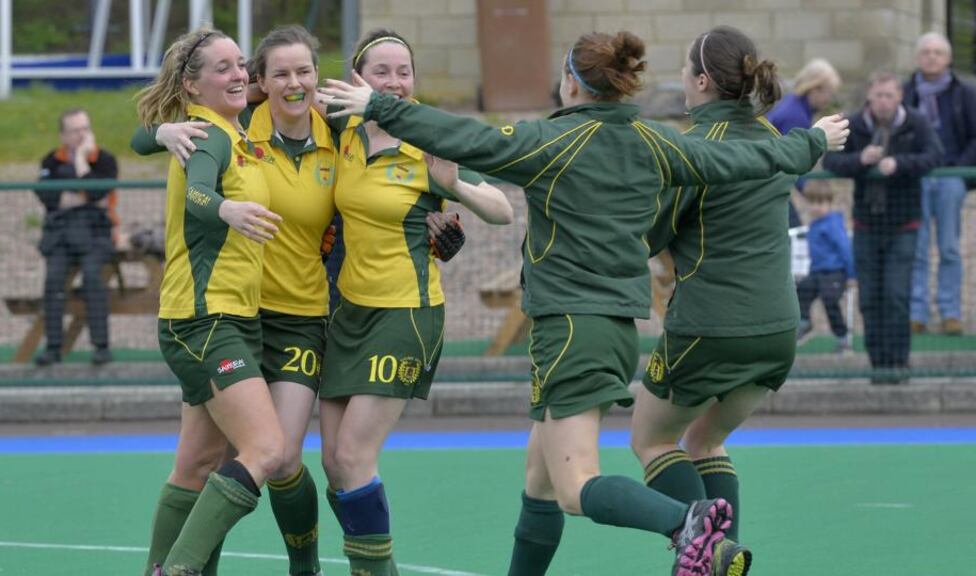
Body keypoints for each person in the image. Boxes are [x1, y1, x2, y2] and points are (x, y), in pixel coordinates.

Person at [320, 29, 847, 576]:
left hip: (569, 328)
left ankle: (688, 523)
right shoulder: (657, 139)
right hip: (617, 329)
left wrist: (379, 105)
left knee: (575, 487)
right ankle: (693, 534)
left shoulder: (554, 141)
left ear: (571, 82)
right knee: (540, 476)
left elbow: (464, 136)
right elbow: (747, 160)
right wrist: (811, 142)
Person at [316, 29, 514, 576]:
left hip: (407, 312)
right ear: (359, 77)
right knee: (334, 464)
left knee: (355, 456)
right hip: (346, 314)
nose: (396, 82)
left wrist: (454, 186)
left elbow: (502, 210)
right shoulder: (340, 128)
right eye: (383, 71)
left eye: (404, 71)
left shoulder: (431, 135)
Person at [626, 27, 804, 566]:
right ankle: (720, 559)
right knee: (705, 442)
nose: (681, 78)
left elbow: (650, 234)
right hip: (777, 331)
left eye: (684, 68)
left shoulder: (695, 148)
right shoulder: (774, 138)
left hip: (710, 326)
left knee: (652, 441)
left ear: (702, 80)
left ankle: (711, 550)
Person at [134, 27, 287, 576]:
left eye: (240, 64)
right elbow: (200, 194)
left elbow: (139, 138)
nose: (238, 74)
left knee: (201, 463)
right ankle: (180, 570)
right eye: (221, 68)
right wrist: (225, 210)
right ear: (192, 86)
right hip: (204, 320)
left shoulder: (236, 134)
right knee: (267, 450)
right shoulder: (210, 136)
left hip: (230, 319)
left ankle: (160, 566)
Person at [825, 72, 942, 385]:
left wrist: (900, 164)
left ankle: (898, 364)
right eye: (878, 95)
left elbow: (934, 156)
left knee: (896, 294)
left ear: (899, 96)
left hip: (904, 223)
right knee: (869, 298)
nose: (883, 102)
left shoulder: (915, 122)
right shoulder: (856, 124)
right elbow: (830, 161)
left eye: (889, 95)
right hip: (866, 222)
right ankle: (878, 366)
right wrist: (860, 160)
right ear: (869, 97)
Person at [34, 108, 119, 366]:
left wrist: (82, 164)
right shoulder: (51, 161)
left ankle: (101, 347)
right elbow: (48, 198)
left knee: (93, 279)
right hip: (61, 235)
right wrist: (86, 196)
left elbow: (98, 193)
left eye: (86, 128)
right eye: (75, 130)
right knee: (53, 282)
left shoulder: (104, 159)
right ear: (63, 135)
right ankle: (53, 348)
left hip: (97, 234)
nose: (82, 135)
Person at [905, 32, 976, 336]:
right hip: (917, 179)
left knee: (948, 247)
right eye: (926, 52)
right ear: (919, 57)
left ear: (947, 59)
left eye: (937, 52)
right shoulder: (906, 93)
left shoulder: (964, 93)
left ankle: (950, 312)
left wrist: (959, 172)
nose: (931, 57)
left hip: (950, 178)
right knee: (917, 248)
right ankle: (916, 312)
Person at [767, 58, 842, 227]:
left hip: (772, 180)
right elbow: (792, 158)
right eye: (829, 93)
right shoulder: (795, 115)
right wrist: (816, 194)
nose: (829, 100)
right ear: (815, 89)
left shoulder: (794, 105)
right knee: (793, 229)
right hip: (770, 183)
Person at [796, 180, 856, 353]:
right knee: (802, 289)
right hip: (817, 272)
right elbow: (800, 184)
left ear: (829, 203)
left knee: (830, 299)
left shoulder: (833, 223)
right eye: (812, 203)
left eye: (821, 203)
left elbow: (845, 249)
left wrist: (852, 275)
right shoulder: (814, 225)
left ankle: (843, 338)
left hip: (835, 272)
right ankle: (805, 322)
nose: (816, 207)